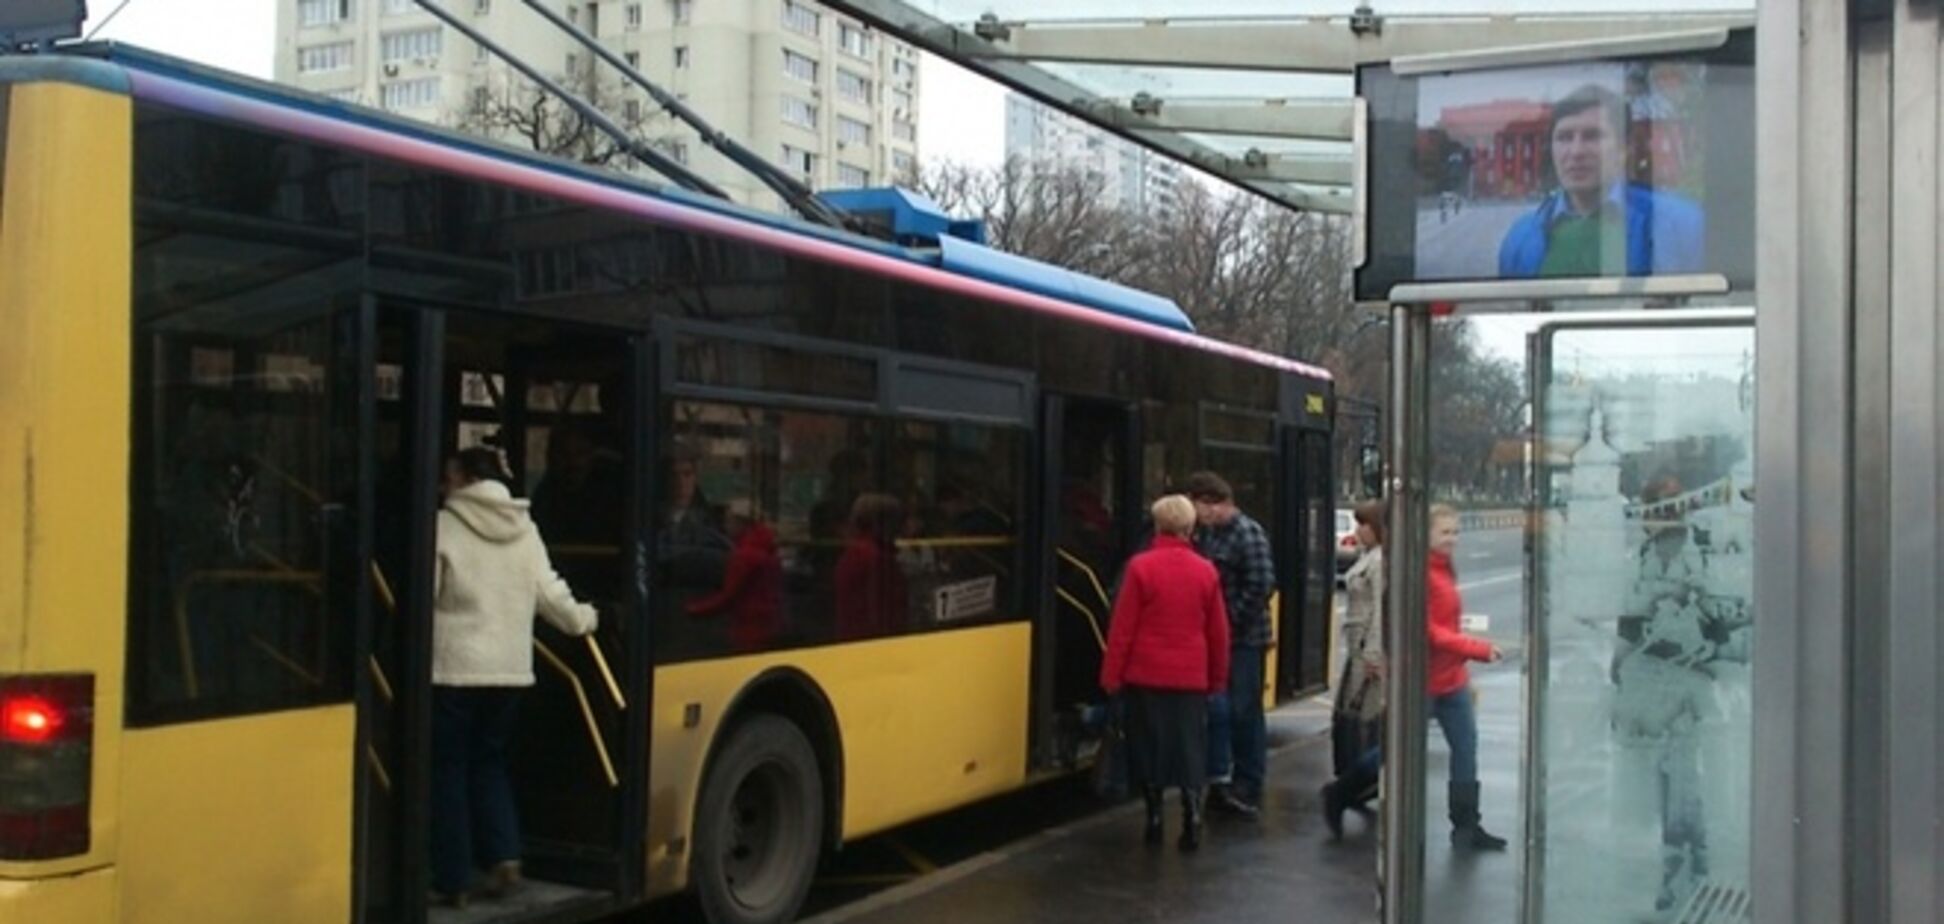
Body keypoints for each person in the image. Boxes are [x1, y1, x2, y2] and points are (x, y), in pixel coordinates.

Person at [431, 447, 600, 907]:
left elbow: (423, 598)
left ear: (464, 478)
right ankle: (504, 853)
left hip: (453, 672)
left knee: (448, 770)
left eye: (448, 476)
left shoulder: (443, 528)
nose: (443, 486)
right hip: (509, 674)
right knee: (489, 763)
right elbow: (551, 594)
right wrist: (586, 620)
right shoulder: (526, 531)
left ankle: (453, 878)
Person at [1612, 476, 1744, 916]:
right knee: (1667, 779)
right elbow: (1628, 620)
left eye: (1661, 509)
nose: (1655, 519)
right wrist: (1622, 665)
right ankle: (1679, 865)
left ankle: (1696, 862)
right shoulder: (1643, 557)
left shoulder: (1705, 550)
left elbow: (1729, 617)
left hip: (1697, 679)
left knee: (1692, 778)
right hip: (1654, 681)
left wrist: (1708, 642)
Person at [1100, 495, 1230, 852]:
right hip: (1190, 677)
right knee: (1189, 748)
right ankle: (1192, 815)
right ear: (1190, 528)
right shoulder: (1206, 571)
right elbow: (1217, 633)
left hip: (1145, 675)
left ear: (1157, 526)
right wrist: (1217, 679)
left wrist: (1112, 676)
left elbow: (1122, 629)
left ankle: (1154, 817)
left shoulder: (1140, 568)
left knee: (1149, 747)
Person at [1497, 84, 1704, 279]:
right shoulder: (1521, 238)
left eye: (1592, 136)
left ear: (1625, 148)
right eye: (1564, 137)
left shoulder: (1682, 224)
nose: (1576, 152)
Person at [1186, 470, 1275, 819]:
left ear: (1214, 503)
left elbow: (1261, 584)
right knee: (1221, 710)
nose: (1197, 515)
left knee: (1244, 711)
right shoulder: (1208, 534)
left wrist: (1227, 621)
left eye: (1199, 506)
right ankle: (1225, 781)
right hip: (1219, 637)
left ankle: (1248, 782)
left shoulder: (1247, 533)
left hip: (1244, 640)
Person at [1427, 504, 1509, 851]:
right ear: (1426, 534)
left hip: (1452, 679)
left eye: (1456, 532)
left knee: (1466, 749)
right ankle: (1341, 792)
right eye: (1445, 532)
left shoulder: (1445, 569)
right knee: (1391, 754)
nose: (1452, 539)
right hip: (1424, 681)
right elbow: (1429, 632)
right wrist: (1477, 648)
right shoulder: (1422, 573)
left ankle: (1466, 826)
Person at [1323, 499, 1388, 838]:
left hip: (1367, 653)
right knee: (1354, 718)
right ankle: (1353, 783)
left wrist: (1375, 656)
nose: (1357, 530)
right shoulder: (1369, 557)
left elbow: (1381, 609)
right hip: (1359, 650)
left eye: (1363, 524)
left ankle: (1348, 786)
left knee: (1364, 720)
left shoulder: (1381, 562)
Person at [685, 504, 783, 653]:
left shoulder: (743, 556)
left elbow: (728, 598)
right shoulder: (765, 547)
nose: (725, 526)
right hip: (769, 624)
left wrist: (693, 609)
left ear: (741, 524)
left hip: (748, 627)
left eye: (728, 521)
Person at [834, 493, 909, 641]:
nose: (903, 528)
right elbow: (883, 615)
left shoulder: (855, 552)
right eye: (898, 522)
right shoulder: (874, 558)